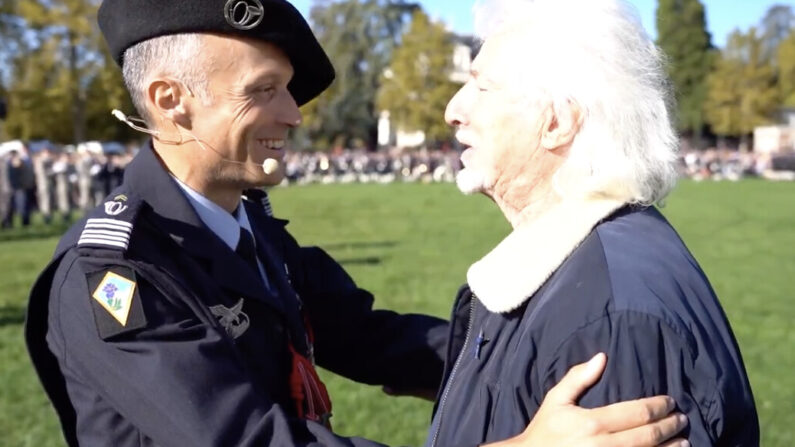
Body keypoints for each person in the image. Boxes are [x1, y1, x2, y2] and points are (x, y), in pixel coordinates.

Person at [26, 1, 687, 446]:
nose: (294, 114)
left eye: (288, 88)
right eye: (264, 90)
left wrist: (529, 358)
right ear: (173, 104)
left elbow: (368, 336)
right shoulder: (114, 275)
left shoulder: (246, 226)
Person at [428, 0, 759, 446]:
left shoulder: (611, 321)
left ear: (557, 123)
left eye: (482, 88)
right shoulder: (580, 270)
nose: (452, 110)